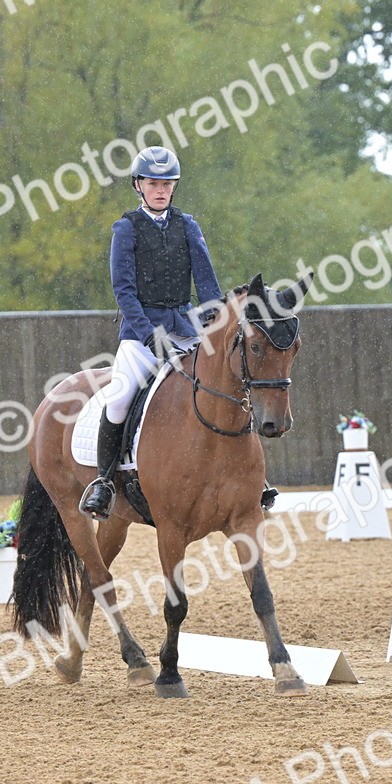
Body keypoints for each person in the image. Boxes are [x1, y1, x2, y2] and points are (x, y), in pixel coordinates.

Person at [78, 145, 223, 520]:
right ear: (138, 185)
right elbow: (123, 290)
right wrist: (147, 335)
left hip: (186, 327)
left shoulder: (187, 226)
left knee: (227, 384)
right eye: (153, 183)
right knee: (122, 396)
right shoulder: (126, 228)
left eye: (167, 184)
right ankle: (104, 482)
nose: (161, 190)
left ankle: (249, 477)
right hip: (141, 332)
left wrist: (215, 321)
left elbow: (206, 282)